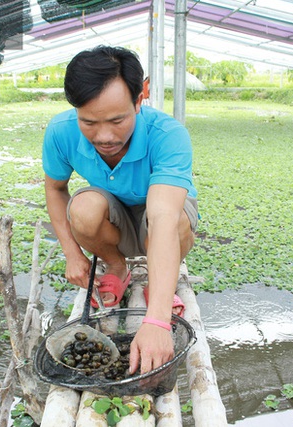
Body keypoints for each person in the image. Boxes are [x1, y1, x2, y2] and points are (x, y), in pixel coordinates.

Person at [42, 45, 198, 375]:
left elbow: (163, 218)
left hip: (163, 218)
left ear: (141, 95)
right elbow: (56, 190)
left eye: (117, 120)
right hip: (114, 218)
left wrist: (155, 320)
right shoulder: (60, 132)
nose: (105, 136)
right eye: (89, 122)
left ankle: (159, 287)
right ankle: (116, 264)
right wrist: (72, 254)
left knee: (178, 220)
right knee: (82, 208)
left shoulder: (168, 135)